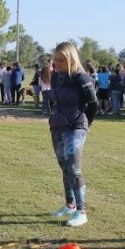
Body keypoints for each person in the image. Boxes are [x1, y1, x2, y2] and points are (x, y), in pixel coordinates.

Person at [48, 42, 98, 227]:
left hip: (76, 126)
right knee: (64, 166)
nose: (57, 63)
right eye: (56, 59)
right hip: (58, 125)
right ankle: (70, 205)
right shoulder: (56, 76)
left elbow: (93, 103)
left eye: (62, 60)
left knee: (73, 167)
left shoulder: (81, 77)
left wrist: (87, 123)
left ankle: (81, 212)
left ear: (71, 59)